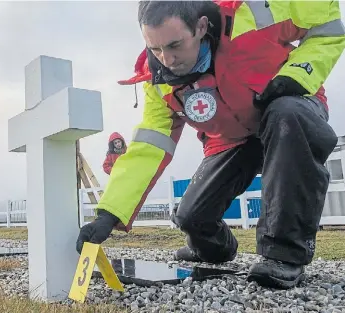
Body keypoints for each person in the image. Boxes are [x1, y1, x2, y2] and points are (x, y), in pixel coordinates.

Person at [76, 0, 344, 289]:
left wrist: (298, 74)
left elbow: (327, 26)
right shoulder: (159, 82)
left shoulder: (252, 15)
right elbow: (149, 146)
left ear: (201, 26)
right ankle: (214, 248)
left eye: (175, 45)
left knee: (288, 114)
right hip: (229, 140)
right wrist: (109, 212)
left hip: (288, 111)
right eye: (155, 49)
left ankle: (283, 255)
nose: (167, 59)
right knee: (191, 217)